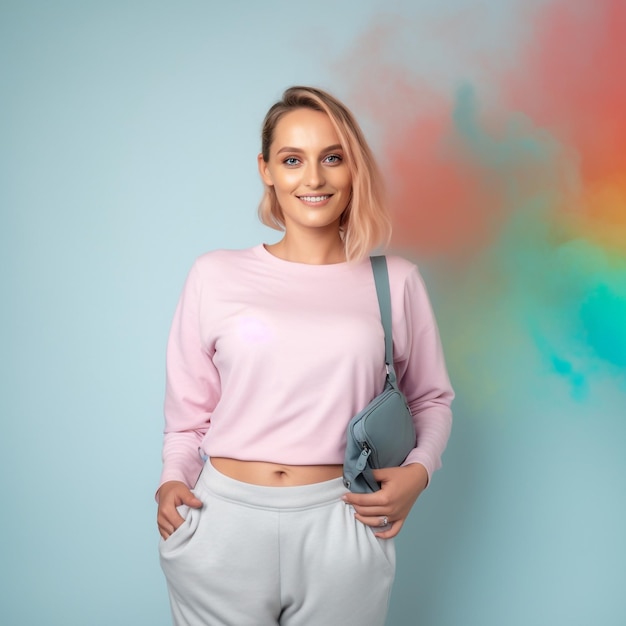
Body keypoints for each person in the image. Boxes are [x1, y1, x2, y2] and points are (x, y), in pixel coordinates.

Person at [156, 85, 454, 626]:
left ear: (352, 168)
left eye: (331, 158)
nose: (313, 179)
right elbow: (187, 417)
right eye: (292, 160)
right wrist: (172, 479)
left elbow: (431, 398)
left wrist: (419, 472)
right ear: (266, 169)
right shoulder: (214, 274)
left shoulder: (397, 281)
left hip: (342, 524)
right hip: (221, 523)